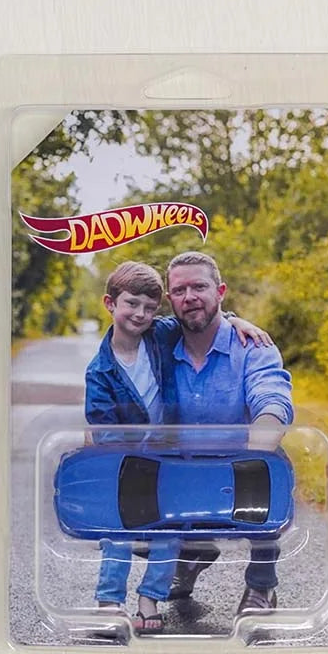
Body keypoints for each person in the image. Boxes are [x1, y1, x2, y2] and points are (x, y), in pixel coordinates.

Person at [84, 261, 271, 632]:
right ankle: (109, 601)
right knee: (117, 534)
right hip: (126, 463)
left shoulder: (159, 335)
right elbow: (102, 429)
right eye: (131, 304)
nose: (140, 314)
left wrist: (235, 320)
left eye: (149, 308)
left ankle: (149, 600)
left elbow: (203, 316)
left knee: (167, 533)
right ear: (110, 303)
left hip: (168, 462)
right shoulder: (100, 371)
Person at [164, 251, 294, 614]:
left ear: (220, 291)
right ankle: (190, 555)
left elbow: (272, 394)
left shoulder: (254, 346)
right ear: (170, 299)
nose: (190, 297)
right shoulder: (158, 343)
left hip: (240, 467)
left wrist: (261, 440)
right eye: (180, 290)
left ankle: (262, 585)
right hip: (181, 468)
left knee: (270, 467)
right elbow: (121, 338)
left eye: (199, 287)